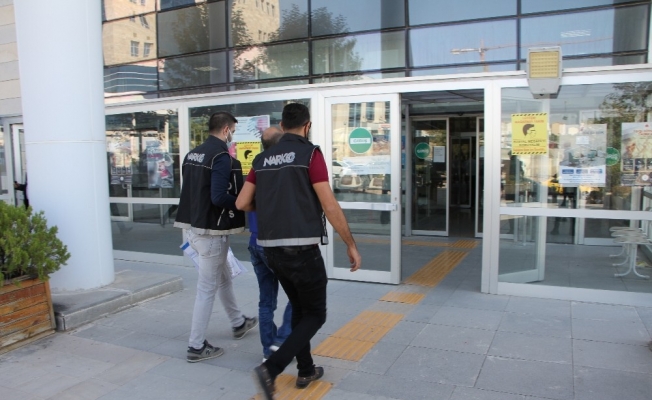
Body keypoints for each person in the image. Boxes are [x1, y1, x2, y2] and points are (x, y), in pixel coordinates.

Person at [236, 103, 362, 399]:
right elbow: (329, 204)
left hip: (271, 250)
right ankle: (272, 368)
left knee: (299, 310)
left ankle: (306, 369)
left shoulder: (262, 159)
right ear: (308, 126)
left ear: (282, 125)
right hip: (302, 250)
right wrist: (350, 244)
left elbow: (242, 203)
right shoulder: (310, 154)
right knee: (315, 314)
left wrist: (269, 206)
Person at [174, 111, 258, 363]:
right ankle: (196, 345)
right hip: (211, 232)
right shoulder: (221, 157)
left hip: (194, 228)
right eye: (233, 131)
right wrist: (244, 203)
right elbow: (219, 196)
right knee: (206, 289)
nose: (233, 136)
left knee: (223, 278)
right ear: (225, 130)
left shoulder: (192, 155)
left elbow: (194, 192)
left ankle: (238, 322)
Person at [248, 125, 293, 362]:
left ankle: (268, 351)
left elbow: (243, 201)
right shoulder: (283, 169)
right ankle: (281, 341)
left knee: (266, 301)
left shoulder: (256, 166)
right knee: (300, 295)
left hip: (255, 241)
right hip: (275, 243)